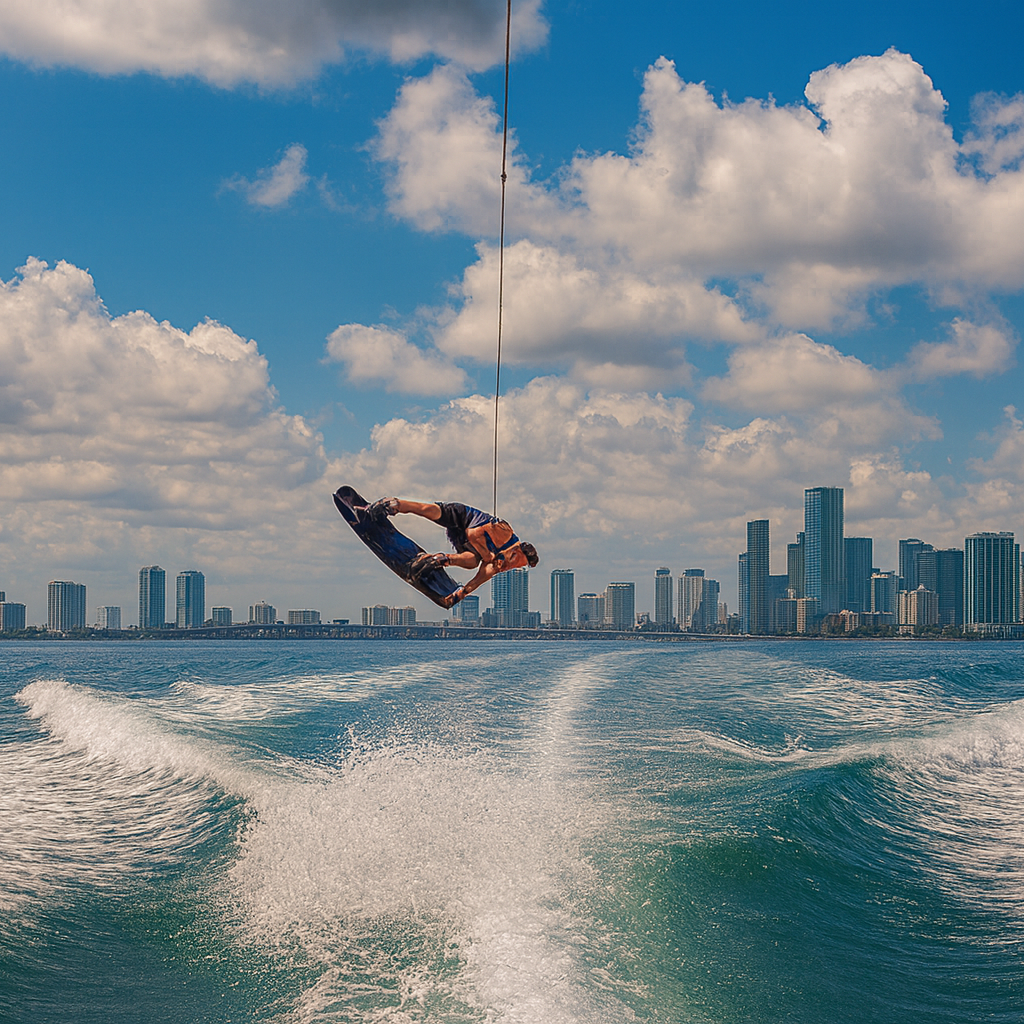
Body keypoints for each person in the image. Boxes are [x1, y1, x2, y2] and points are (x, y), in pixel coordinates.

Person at [367, 497, 538, 608]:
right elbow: (473, 533)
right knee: (430, 510)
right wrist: (487, 555)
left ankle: (438, 560)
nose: (510, 567)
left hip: (462, 538)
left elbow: (477, 581)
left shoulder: (496, 565)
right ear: (518, 551)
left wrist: (457, 596)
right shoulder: (506, 533)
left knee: (472, 561)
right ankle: (392, 505)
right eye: (517, 563)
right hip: (464, 517)